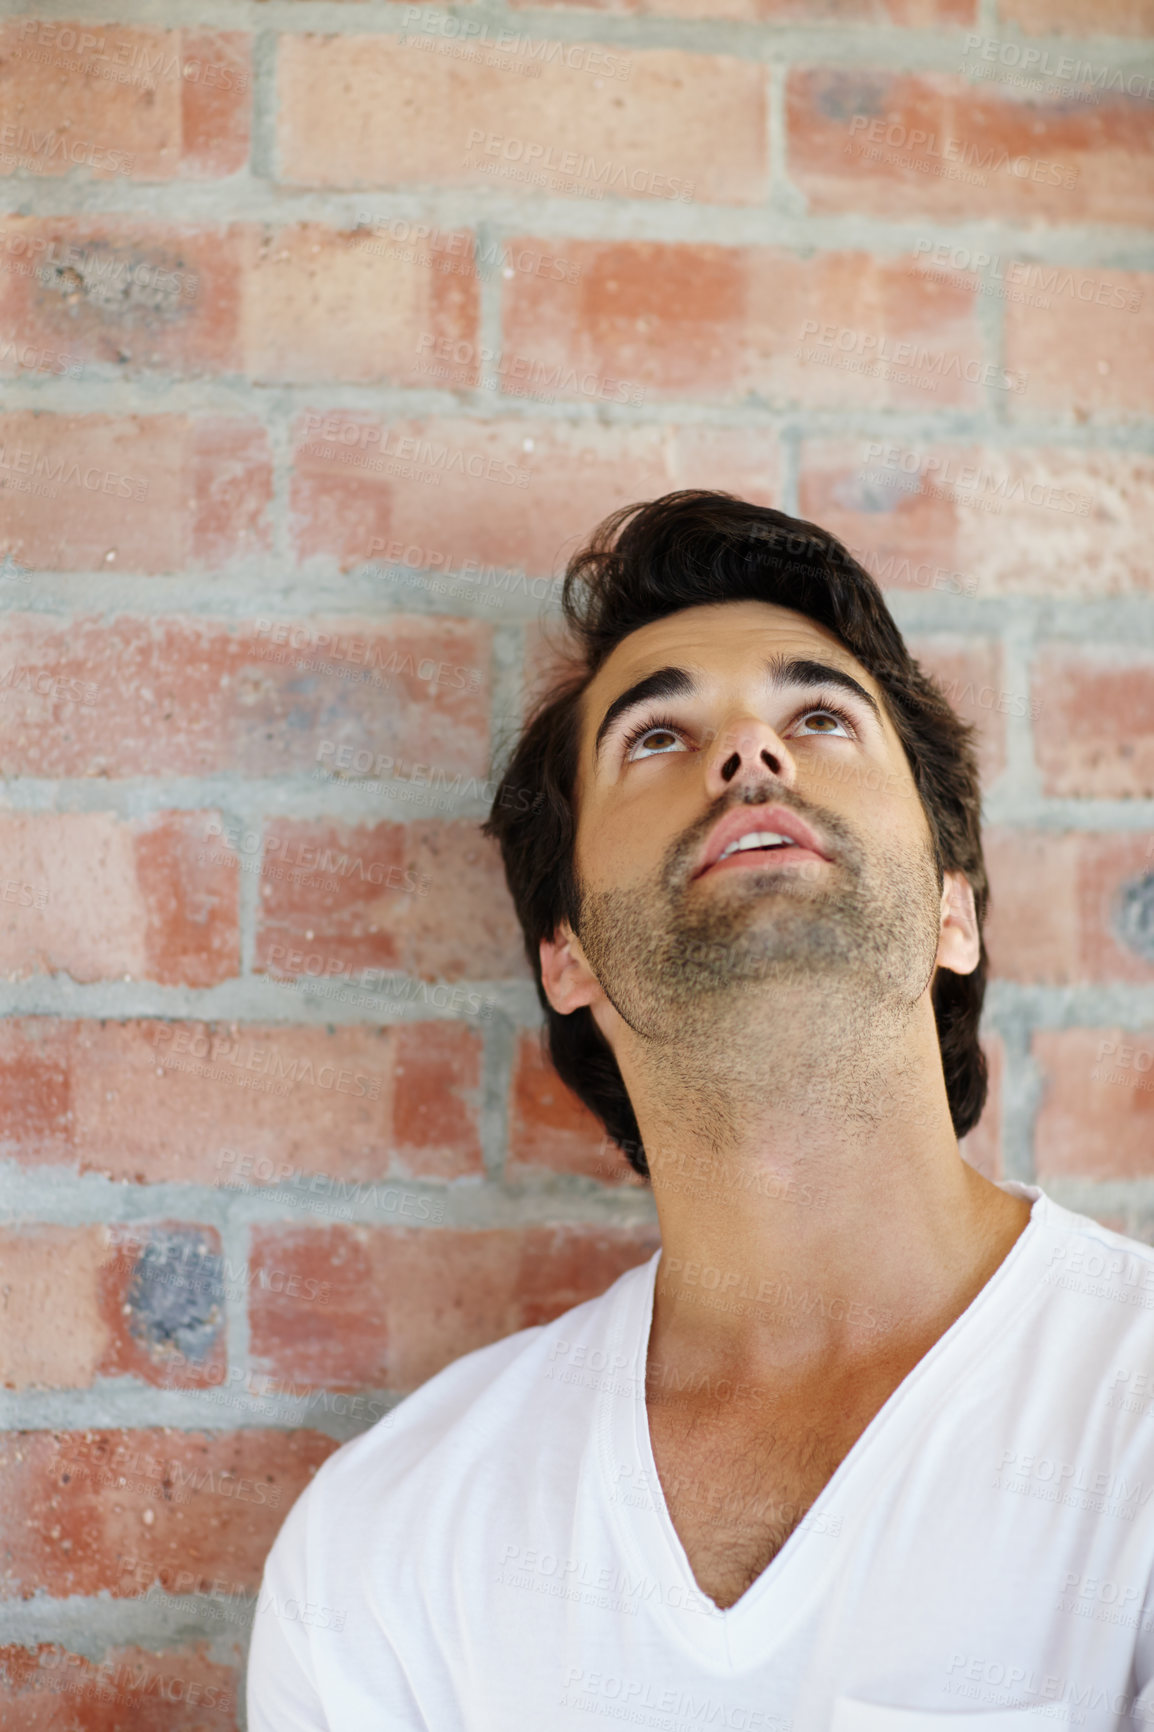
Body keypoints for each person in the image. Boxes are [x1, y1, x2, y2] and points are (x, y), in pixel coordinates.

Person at [247, 491, 1154, 1729]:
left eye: (820, 716)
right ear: (564, 954)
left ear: (955, 909)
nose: (748, 752)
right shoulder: (390, 1547)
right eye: (657, 737)